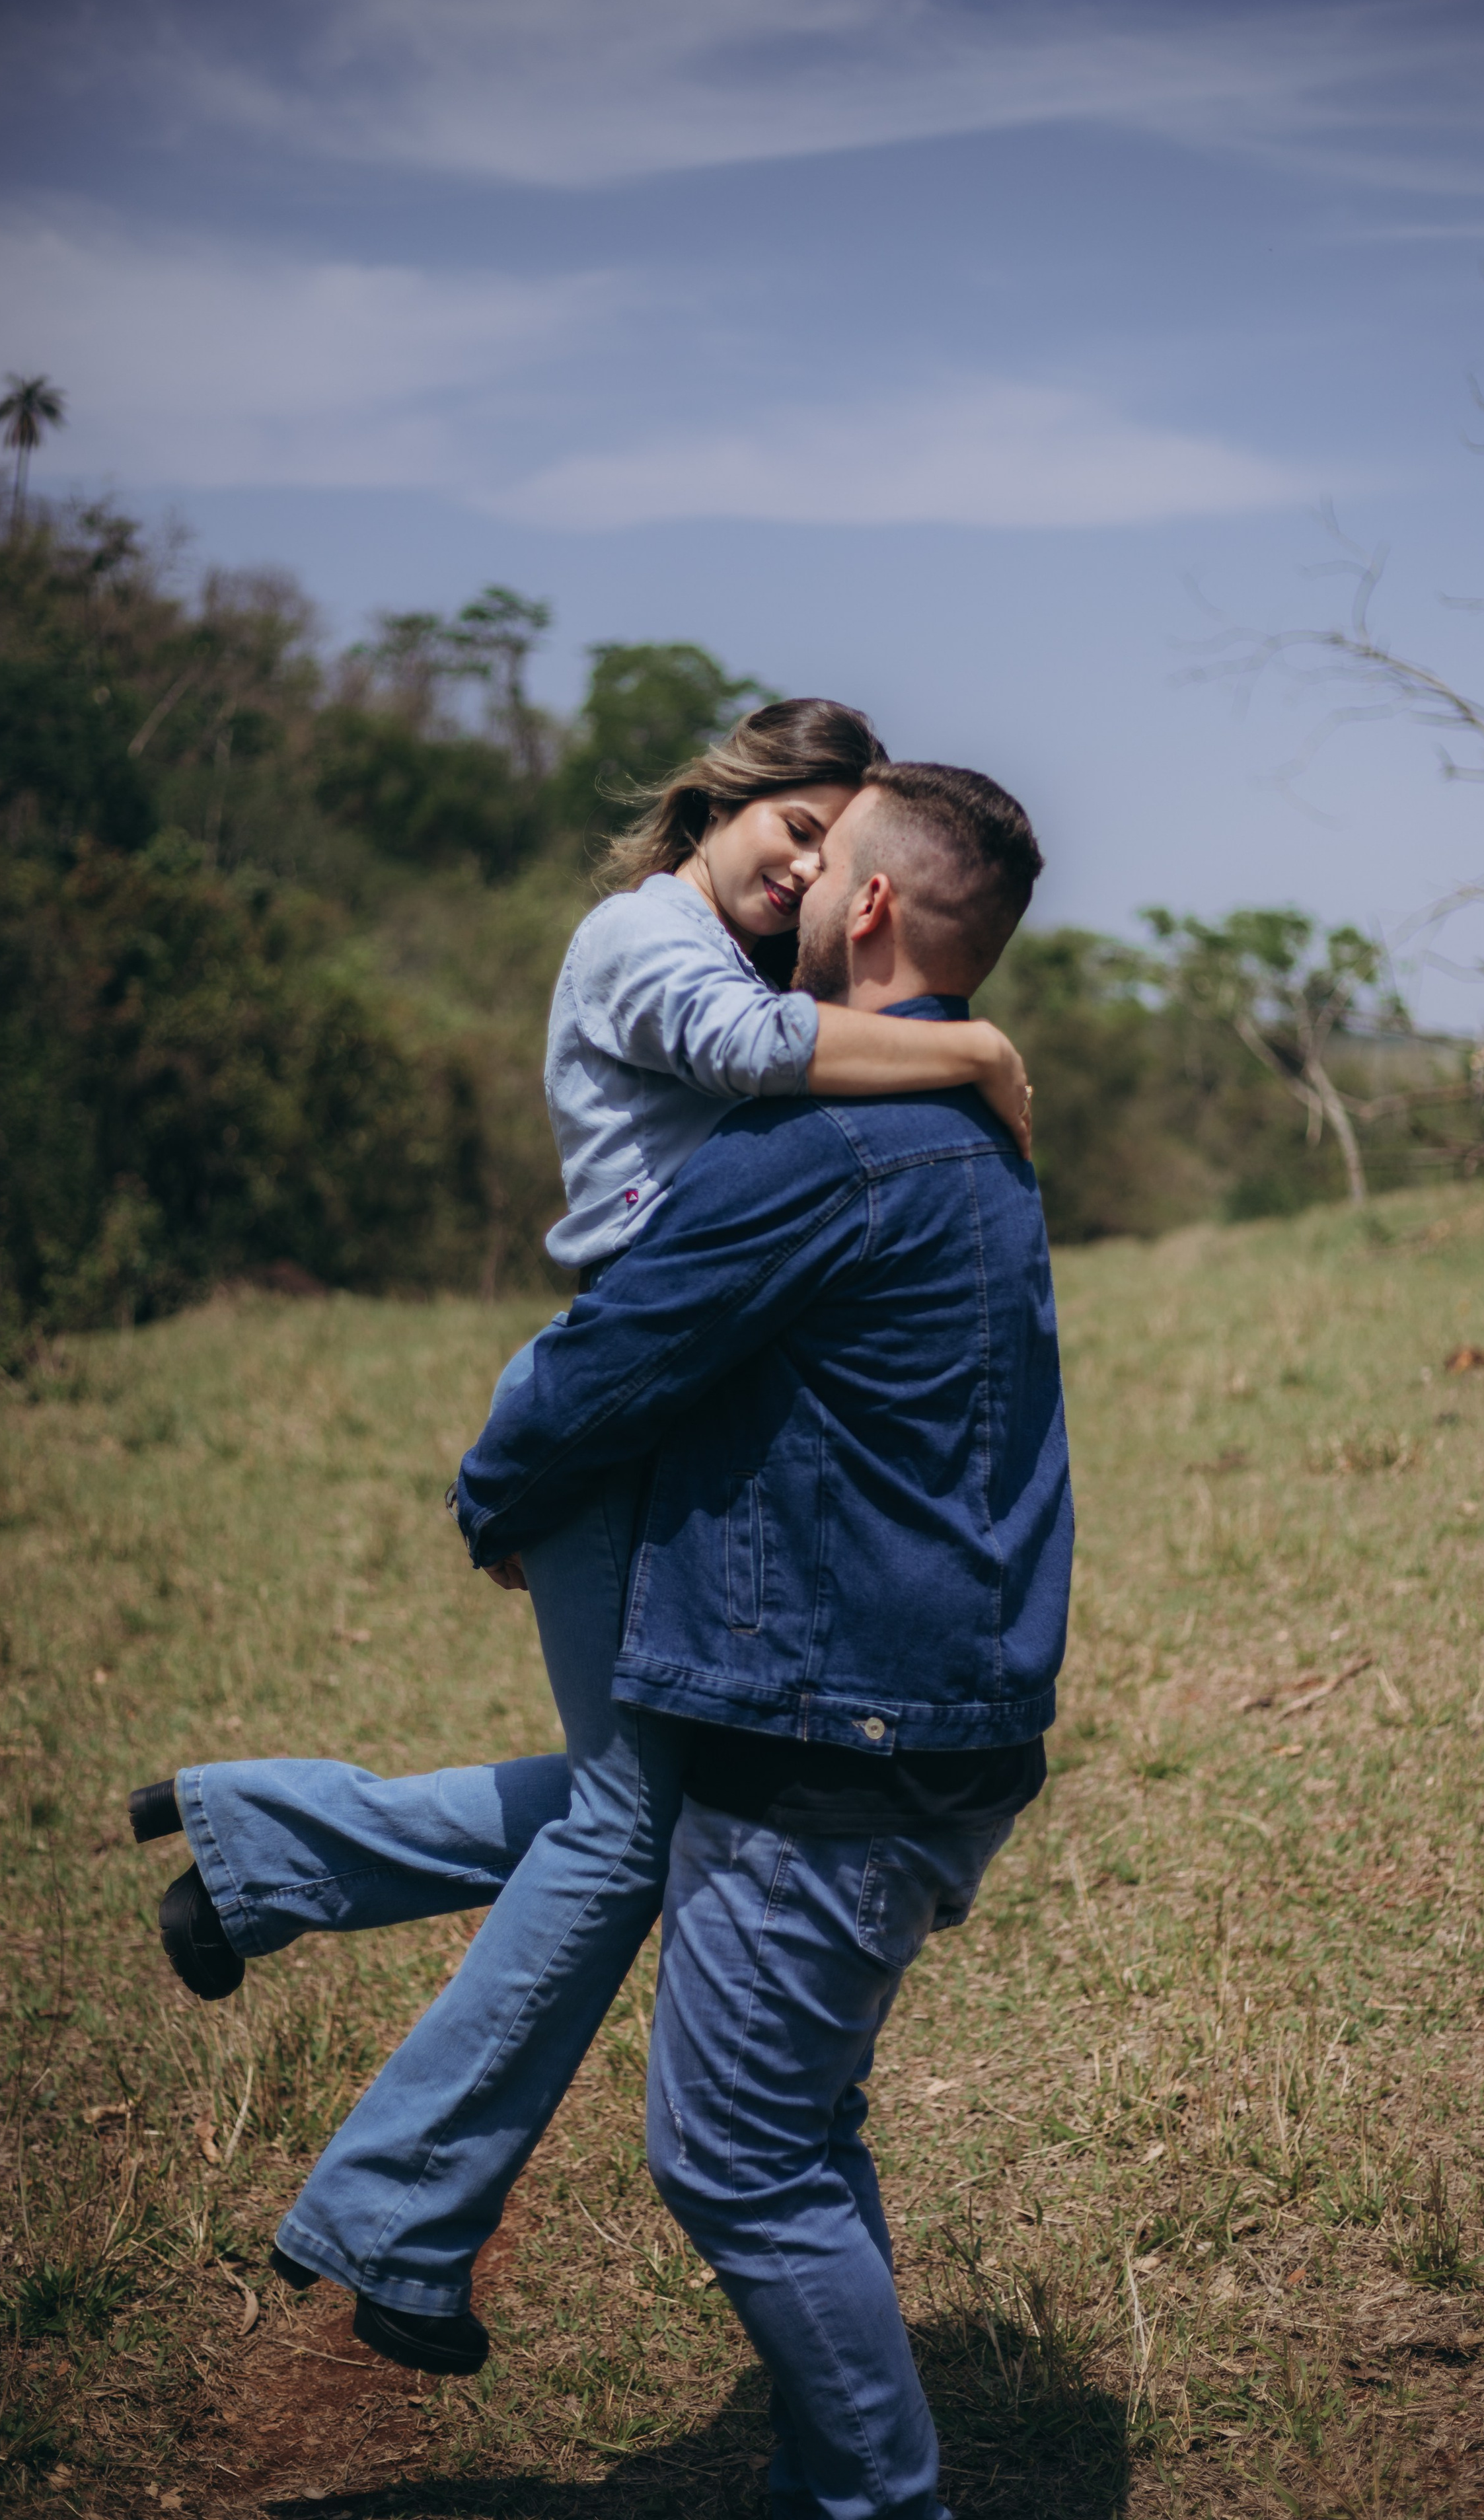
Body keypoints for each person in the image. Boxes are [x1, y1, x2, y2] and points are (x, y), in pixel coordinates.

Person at [130, 704, 1035, 2378]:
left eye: (835, 849)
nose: (806, 872)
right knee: (630, 1830)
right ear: (734, 795)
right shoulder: (641, 939)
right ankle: (399, 2216)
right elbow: (770, 1074)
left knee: (649, 1800)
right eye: (798, 829)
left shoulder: (750, 963)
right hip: (621, 1371)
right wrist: (973, 1051)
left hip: (669, 1381)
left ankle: (256, 1846)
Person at [453, 760, 1073, 2520]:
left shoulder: (819, 1145)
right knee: (799, 2127)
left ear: (868, 908)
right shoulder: (973, 1134)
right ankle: (832, 2475)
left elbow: (612, 1355)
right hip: (947, 1719)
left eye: (824, 862)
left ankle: (884, 2503)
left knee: (728, 2159)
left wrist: (492, 1497)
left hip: (834, 1744)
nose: (788, 884)